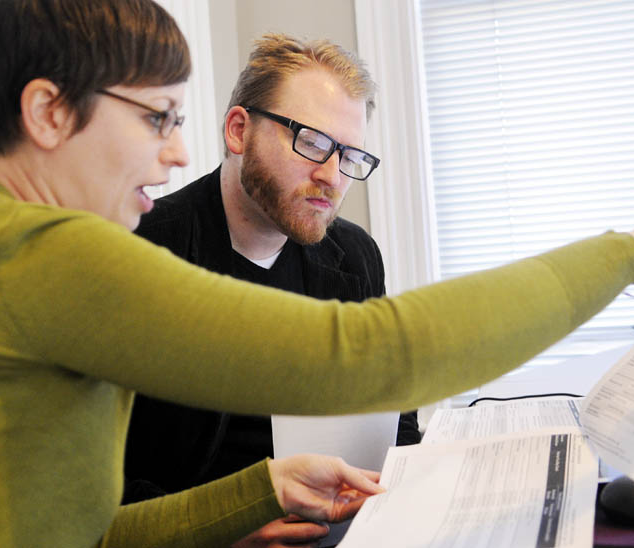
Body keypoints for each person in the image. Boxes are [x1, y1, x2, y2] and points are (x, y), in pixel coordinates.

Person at [0, 0, 634, 547]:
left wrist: (260, 491)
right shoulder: (44, 250)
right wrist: (632, 252)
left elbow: (87, 535)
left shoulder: (2, 242)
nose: (174, 152)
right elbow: (369, 355)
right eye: (154, 118)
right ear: (48, 113)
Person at [123, 34, 421, 548]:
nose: (332, 177)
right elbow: (95, 478)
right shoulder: (139, 252)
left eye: (350, 156)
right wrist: (225, 532)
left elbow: (396, 417)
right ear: (239, 131)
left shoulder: (354, 256)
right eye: (312, 142)